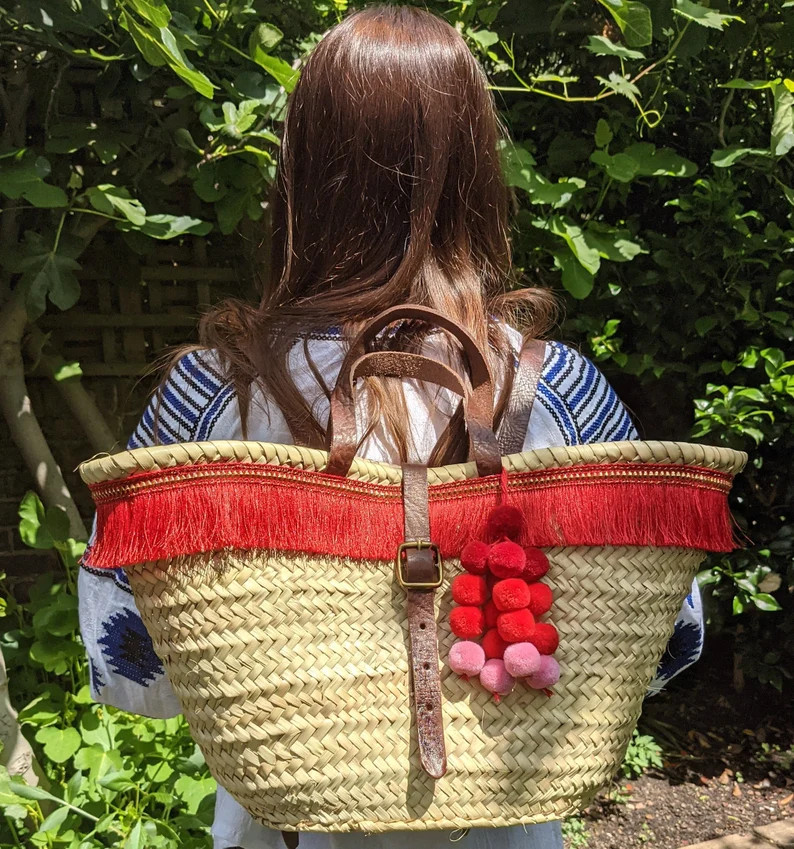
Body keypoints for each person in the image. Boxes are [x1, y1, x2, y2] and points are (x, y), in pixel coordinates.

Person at [77, 6, 704, 848]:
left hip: (282, 827)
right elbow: (665, 645)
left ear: (300, 170)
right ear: (476, 169)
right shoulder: (559, 389)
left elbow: (131, 675)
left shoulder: (207, 396)